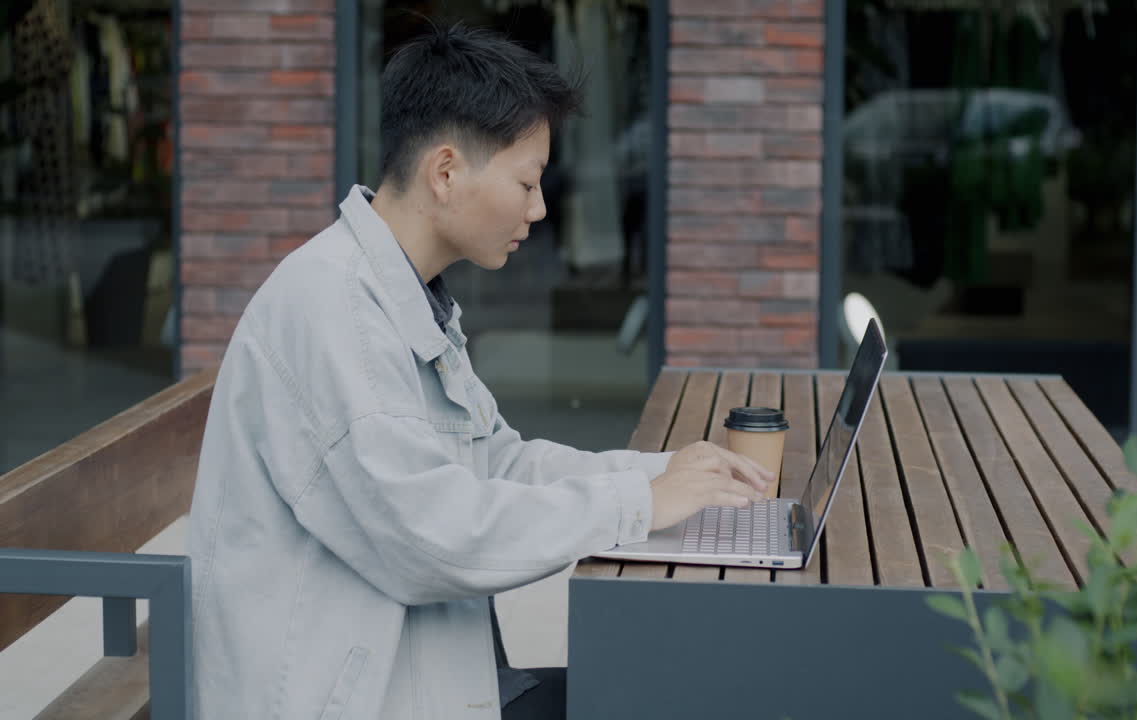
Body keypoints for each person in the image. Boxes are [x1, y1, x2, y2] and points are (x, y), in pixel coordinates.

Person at [186, 23, 772, 720]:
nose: (539, 207)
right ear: (445, 172)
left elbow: (500, 464)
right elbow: (428, 536)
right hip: (346, 697)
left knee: (674, 686)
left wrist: (658, 476)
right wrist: (639, 505)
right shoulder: (333, 308)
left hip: (413, 666)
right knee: (683, 694)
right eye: (526, 181)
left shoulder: (401, 292)